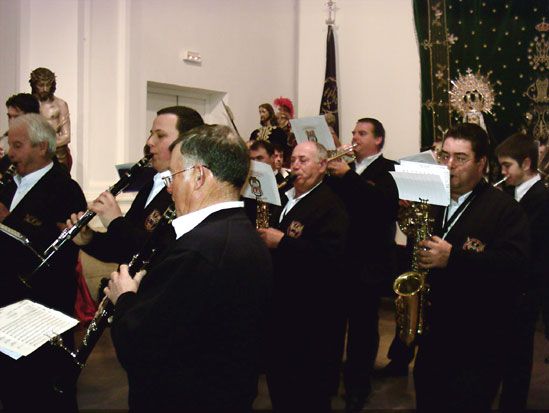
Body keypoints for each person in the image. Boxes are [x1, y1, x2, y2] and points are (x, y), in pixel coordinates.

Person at [105, 124, 272, 412]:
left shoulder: (198, 250)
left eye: (173, 175)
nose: (169, 187)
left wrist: (125, 298)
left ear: (198, 176)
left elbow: (142, 348)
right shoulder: (243, 233)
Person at [413, 123, 530, 412]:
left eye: (461, 158)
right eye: (444, 155)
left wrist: (454, 259)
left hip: (477, 344)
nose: (449, 165)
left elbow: (514, 269)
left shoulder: (505, 210)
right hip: (432, 338)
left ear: (482, 164)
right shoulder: (431, 202)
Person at [0, 113, 87, 411]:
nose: (10, 154)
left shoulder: (65, 189)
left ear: (42, 147)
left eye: (18, 145)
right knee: (11, 387)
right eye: (10, 145)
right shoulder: (9, 183)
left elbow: (57, 254)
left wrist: (6, 221)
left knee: (45, 391)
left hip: (42, 309)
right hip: (6, 305)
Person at [258, 141, 349, 412]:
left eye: (304, 160)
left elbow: (330, 260)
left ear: (322, 166)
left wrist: (282, 243)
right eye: (294, 159)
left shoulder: (331, 206)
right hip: (281, 311)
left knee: (307, 392)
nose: (295, 165)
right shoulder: (284, 198)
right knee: (280, 386)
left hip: (310, 318)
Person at [71, 106, 204, 268]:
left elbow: (160, 251)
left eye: (160, 135)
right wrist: (89, 239)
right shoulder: (151, 185)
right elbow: (122, 249)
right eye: (151, 134)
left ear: (186, 143)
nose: (149, 142)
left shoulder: (190, 192)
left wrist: (116, 222)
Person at [326, 117, 399, 412]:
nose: (354, 137)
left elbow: (380, 206)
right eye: (354, 132)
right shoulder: (347, 168)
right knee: (332, 324)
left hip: (369, 261)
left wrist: (347, 175)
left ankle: (358, 386)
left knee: (362, 329)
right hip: (339, 258)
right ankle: (330, 378)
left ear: (378, 140)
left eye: (362, 133)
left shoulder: (389, 169)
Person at [495, 133, 549, 412]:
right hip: (507, 288)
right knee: (502, 353)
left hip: (526, 290)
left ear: (526, 163)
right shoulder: (510, 193)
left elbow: (531, 249)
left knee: (518, 358)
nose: (502, 173)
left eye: (507, 166)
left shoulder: (541, 199)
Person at [29, 67, 72, 172]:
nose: (45, 89)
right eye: (41, 85)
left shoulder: (60, 105)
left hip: (57, 154)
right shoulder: (27, 104)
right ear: (34, 85)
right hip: (32, 154)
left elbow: (66, 136)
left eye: (48, 85)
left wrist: (46, 146)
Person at [0, 93, 41, 168]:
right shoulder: (4, 141)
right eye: (9, 117)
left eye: (16, 117)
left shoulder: (41, 145)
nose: (11, 122)